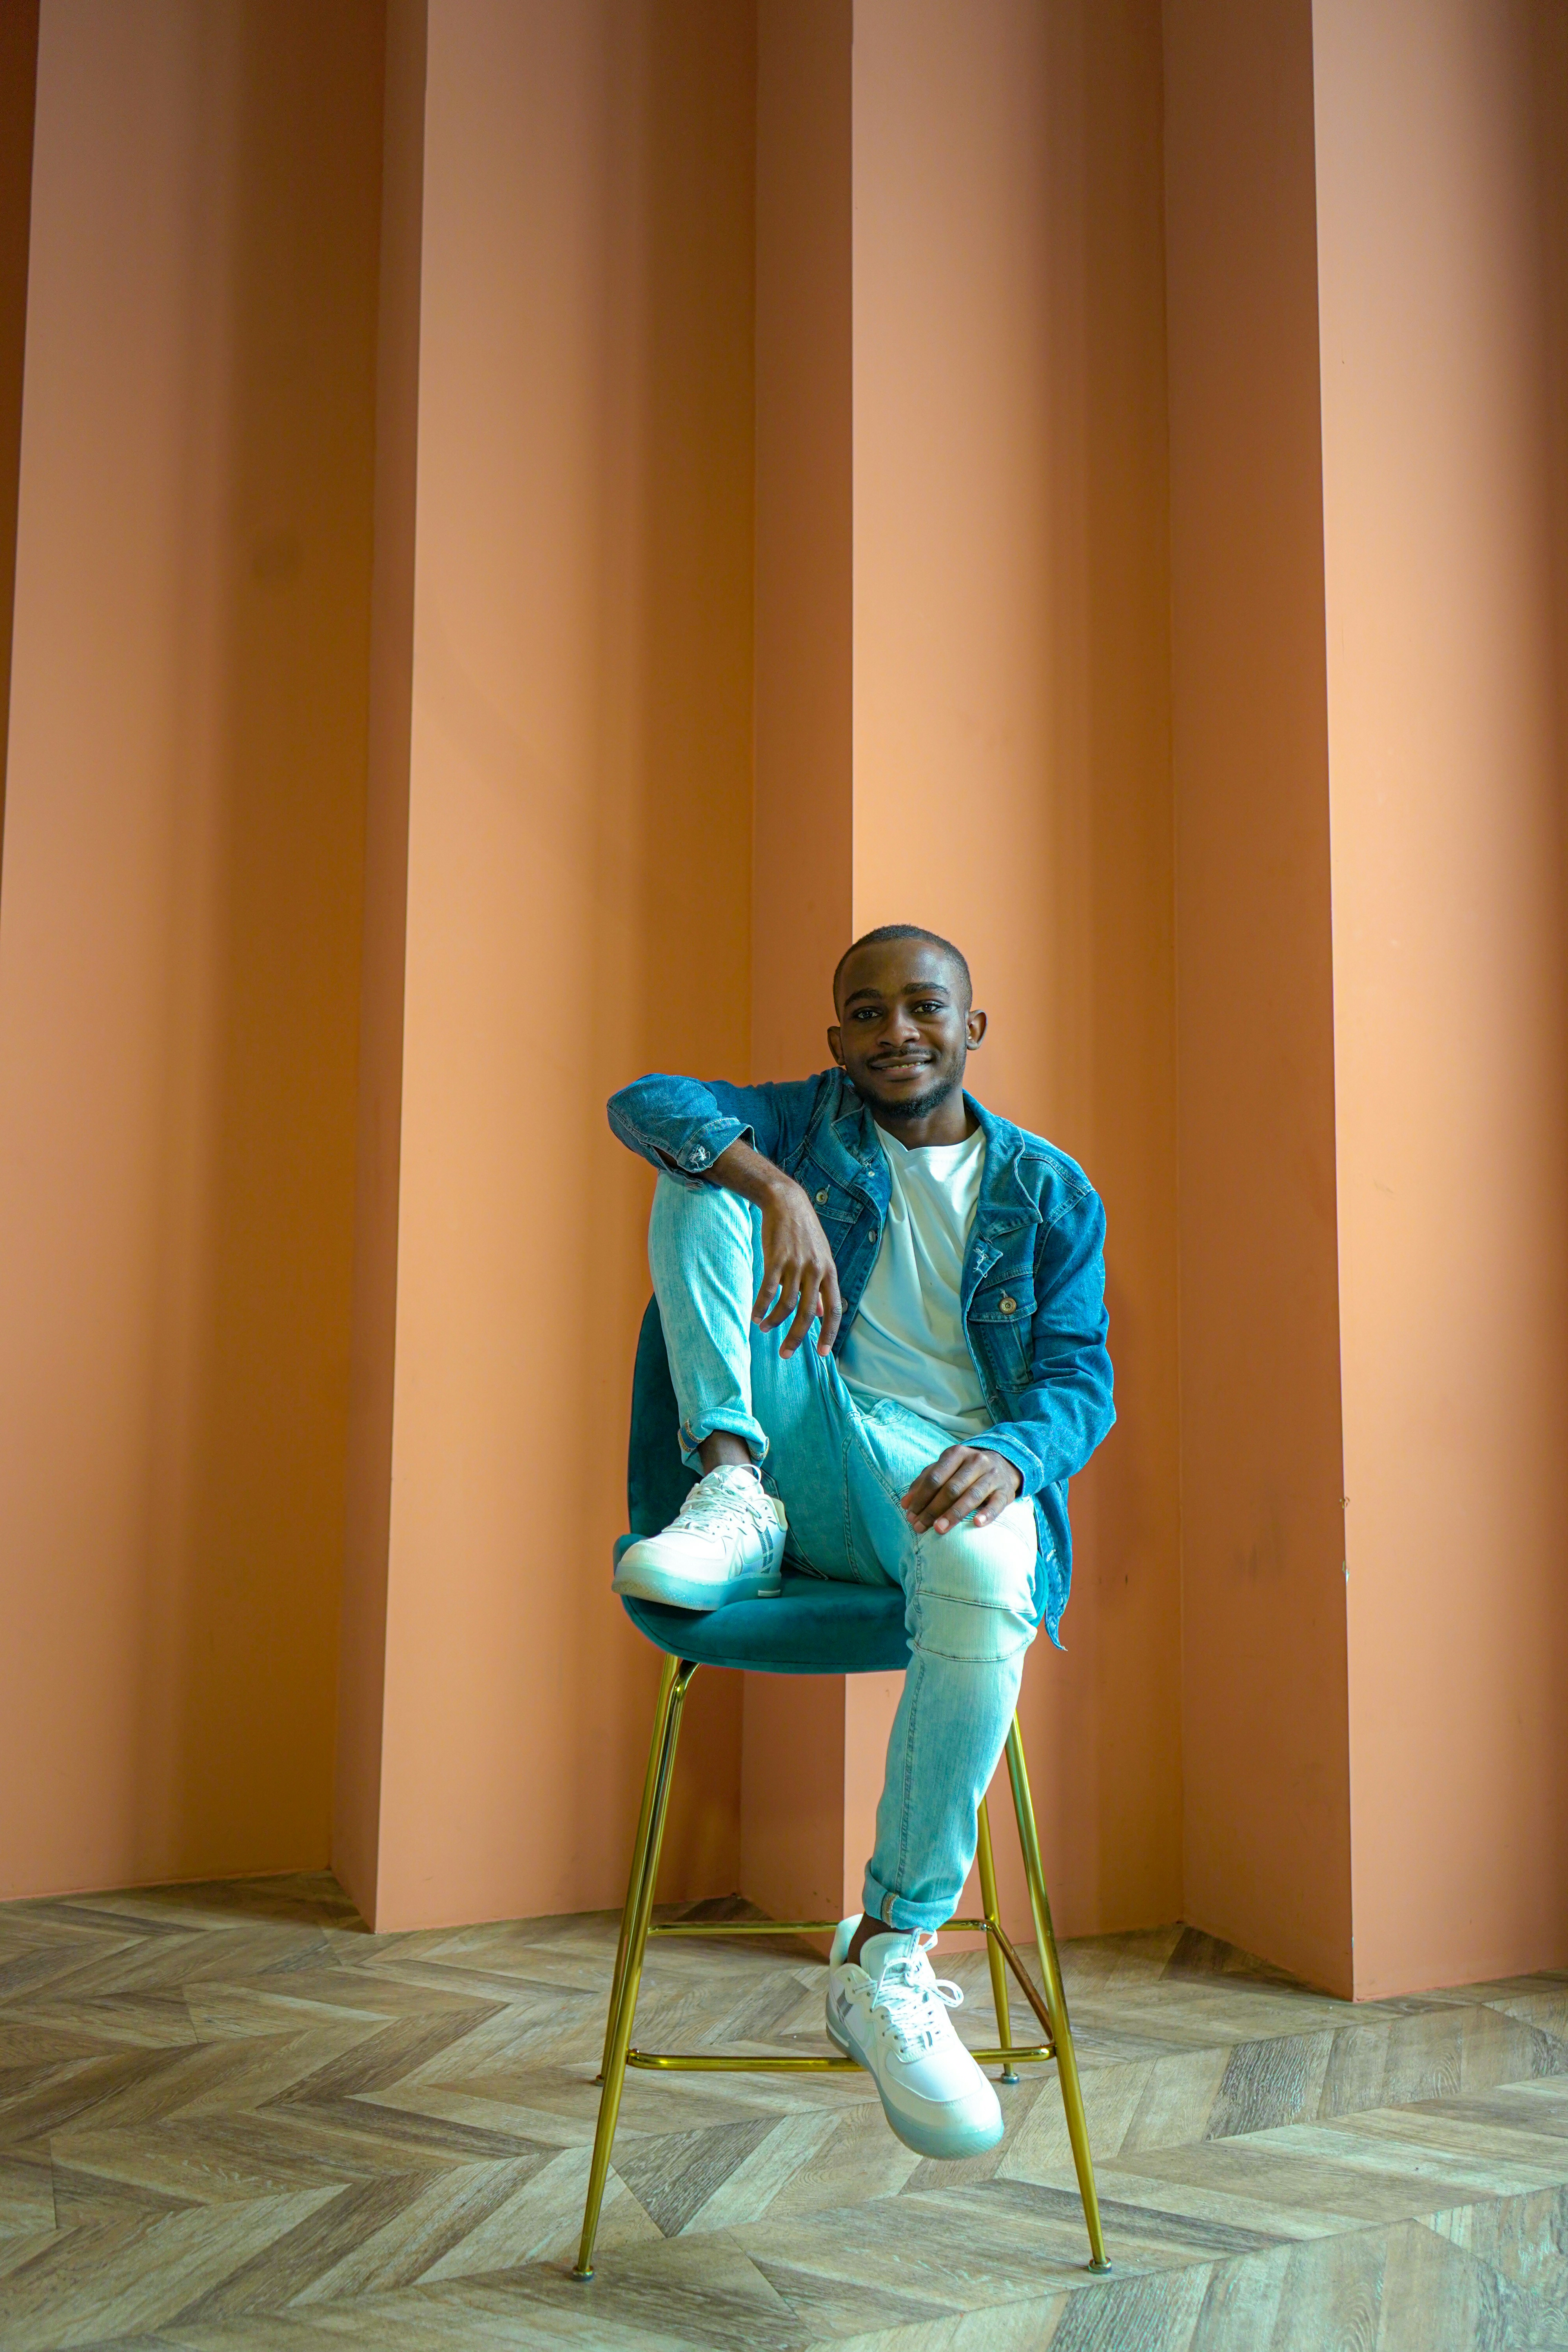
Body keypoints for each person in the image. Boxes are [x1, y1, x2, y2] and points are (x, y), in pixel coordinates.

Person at [606, 924, 1114, 2161]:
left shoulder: (1049, 1190)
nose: (899, 1033)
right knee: (697, 1166)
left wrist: (1012, 1459)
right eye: (869, 1014)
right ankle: (731, 1492)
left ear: (972, 1029)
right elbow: (644, 1102)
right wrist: (774, 1185)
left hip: (943, 1487)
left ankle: (889, 1957)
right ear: (837, 1040)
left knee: (994, 1566)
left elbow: (1079, 1378)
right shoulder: (803, 1123)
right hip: (808, 1447)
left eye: (926, 1008)